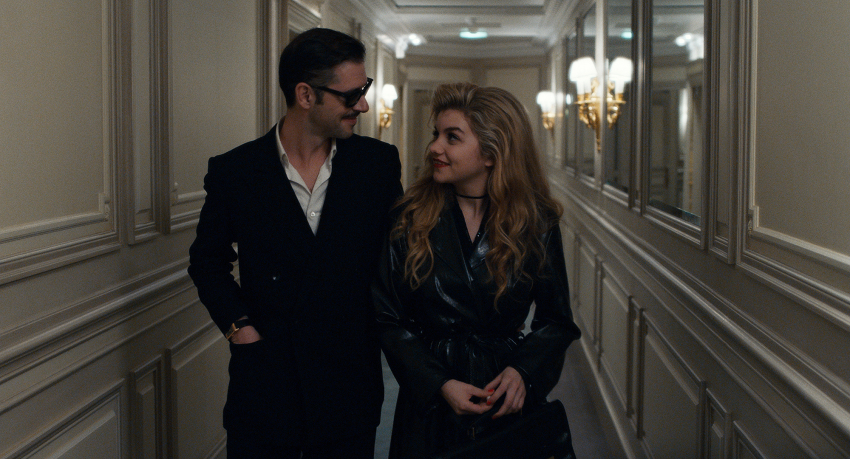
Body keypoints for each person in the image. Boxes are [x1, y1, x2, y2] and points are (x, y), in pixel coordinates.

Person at [188, 27, 402, 458]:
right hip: (265, 387)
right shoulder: (236, 171)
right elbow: (206, 262)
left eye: (364, 90)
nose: (363, 104)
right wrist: (239, 329)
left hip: (348, 388)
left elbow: (401, 260)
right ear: (306, 95)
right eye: (352, 95)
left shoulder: (377, 165)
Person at [373, 82, 581, 458]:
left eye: (452, 137)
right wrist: (439, 383)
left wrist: (523, 372)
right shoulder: (407, 217)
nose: (435, 147)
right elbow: (388, 318)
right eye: (436, 134)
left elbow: (556, 320)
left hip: (502, 395)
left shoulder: (535, 222)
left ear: (491, 151)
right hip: (430, 398)